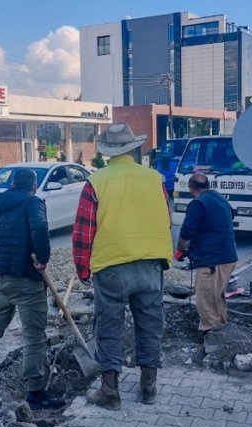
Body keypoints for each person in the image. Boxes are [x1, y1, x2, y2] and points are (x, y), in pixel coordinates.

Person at [72, 123, 172, 410]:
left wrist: (83, 270)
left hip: (112, 266)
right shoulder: (154, 179)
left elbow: (83, 232)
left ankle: (110, 392)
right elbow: (166, 220)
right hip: (151, 264)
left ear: (107, 153)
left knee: (109, 326)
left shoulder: (96, 182)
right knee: (150, 324)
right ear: (133, 149)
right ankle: (149, 388)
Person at [0, 168, 65, 409]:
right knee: (34, 333)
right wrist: (42, 259)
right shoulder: (32, 202)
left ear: (13, 184)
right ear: (33, 186)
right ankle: (35, 392)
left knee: (2, 311)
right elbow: (40, 229)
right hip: (23, 276)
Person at [176, 173, 238, 335]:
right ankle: (221, 328)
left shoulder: (198, 204)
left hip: (212, 260)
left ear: (191, 188)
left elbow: (186, 232)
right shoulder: (219, 198)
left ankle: (212, 336)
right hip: (228, 257)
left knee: (205, 299)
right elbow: (230, 215)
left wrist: (180, 250)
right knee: (216, 297)